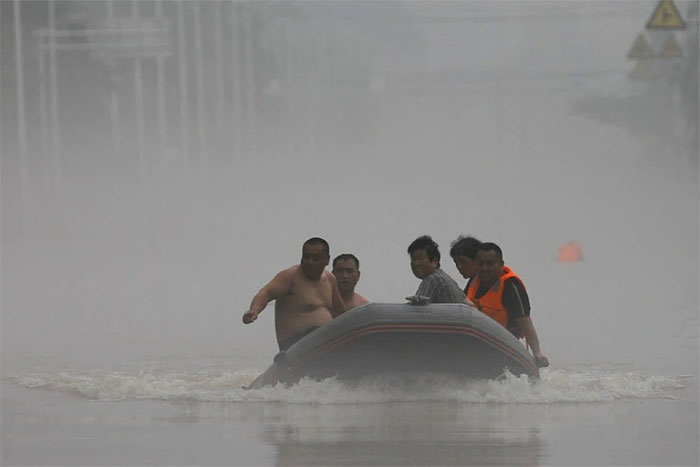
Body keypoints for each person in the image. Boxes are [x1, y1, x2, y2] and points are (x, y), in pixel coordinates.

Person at [242, 237, 346, 351]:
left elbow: (339, 311)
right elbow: (266, 293)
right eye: (306, 257)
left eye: (315, 258)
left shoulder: (330, 279)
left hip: (324, 342)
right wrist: (254, 310)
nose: (310, 262)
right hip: (295, 345)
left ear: (327, 260)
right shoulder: (289, 277)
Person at [465, 242, 550, 367]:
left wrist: (537, 353)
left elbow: (525, 321)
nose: (485, 268)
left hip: (504, 345)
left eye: (490, 264)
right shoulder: (474, 281)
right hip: (477, 343)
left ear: (501, 264)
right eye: (481, 264)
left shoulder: (510, 286)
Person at [407, 235, 466, 304]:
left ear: (434, 261)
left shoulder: (432, 279)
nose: (416, 263)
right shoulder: (449, 280)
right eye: (413, 259)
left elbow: (415, 310)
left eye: (421, 258)